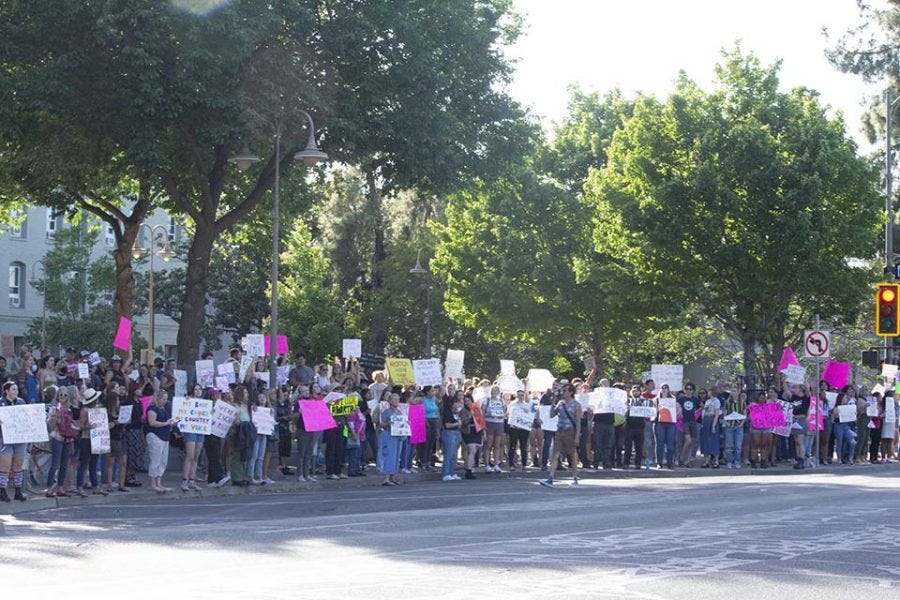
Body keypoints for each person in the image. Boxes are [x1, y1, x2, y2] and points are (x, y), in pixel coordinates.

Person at [540, 383, 582, 487]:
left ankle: (575, 477)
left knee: (572, 454)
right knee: (555, 454)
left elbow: (578, 421)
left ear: (571, 392)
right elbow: (551, 415)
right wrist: (553, 403)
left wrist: (577, 436)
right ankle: (550, 478)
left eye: (565, 391)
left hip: (570, 431)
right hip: (559, 431)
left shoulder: (576, 405)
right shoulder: (560, 403)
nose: (563, 393)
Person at [0, 381, 29, 501]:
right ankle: (2, 491)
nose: (16, 391)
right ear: (7, 391)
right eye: (13, 389)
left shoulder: (21, 402)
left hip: (19, 438)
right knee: (5, 465)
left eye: (17, 389)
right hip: (4, 439)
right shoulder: (1, 403)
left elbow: (28, 417)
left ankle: (18, 491)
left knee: (18, 465)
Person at [45, 386, 76, 497]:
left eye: (65, 395)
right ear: (57, 396)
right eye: (60, 395)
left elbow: (71, 425)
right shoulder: (54, 409)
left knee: (64, 464)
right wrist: (55, 418)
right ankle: (49, 488)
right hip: (57, 437)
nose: (62, 397)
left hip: (67, 439)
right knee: (55, 464)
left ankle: (60, 487)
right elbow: (50, 425)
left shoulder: (69, 410)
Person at [145, 389, 174, 493]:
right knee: (155, 460)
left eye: (166, 399)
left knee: (163, 460)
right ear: (158, 398)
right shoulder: (152, 408)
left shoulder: (162, 409)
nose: (165, 401)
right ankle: (152, 483)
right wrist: (166, 423)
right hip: (155, 436)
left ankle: (159, 482)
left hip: (165, 436)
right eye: (163, 399)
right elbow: (152, 422)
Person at [179, 383, 206, 491]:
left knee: (196, 457)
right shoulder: (188, 400)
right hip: (190, 429)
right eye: (196, 389)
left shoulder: (204, 403)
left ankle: (192, 480)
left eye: (199, 389)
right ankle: (184, 480)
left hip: (200, 430)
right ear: (192, 391)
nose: (198, 391)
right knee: (190, 456)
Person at [104, 382, 129, 492]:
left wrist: (125, 421)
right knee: (111, 462)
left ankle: (121, 484)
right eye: (117, 400)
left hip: (121, 435)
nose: (119, 402)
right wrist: (113, 424)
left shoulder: (121, 411)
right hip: (112, 436)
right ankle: (109, 484)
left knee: (123, 461)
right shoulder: (107, 414)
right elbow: (104, 426)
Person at [378, 392, 403, 486]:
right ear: (390, 401)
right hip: (389, 435)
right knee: (389, 456)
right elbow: (382, 424)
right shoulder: (386, 412)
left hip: (397, 436)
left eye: (398, 399)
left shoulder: (399, 412)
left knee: (397, 457)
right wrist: (389, 423)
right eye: (394, 399)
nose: (397, 401)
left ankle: (393, 477)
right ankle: (386, 478)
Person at [624, 385, 651, 469]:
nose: (636, 392)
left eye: (637, 391)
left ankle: (638, 464)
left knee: (639, 447)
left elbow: (648, 414)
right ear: (631, 392)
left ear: (640, 392)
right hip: (629, 426)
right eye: (634, 390)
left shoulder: (644, 402)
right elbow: (624, 413)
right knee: (628, 446)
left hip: (640, 427)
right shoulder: (627, 401)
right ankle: (626, 463)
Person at [480, 385, 506, 473]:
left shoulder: (502, 401)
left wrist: (500, 415)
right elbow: (482, 414)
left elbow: (504, 412)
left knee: (497, 445)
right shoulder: (486, 400)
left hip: (499, 423)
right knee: (488, 444)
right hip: (489, 423)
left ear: (498, 392)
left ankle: (496, 464)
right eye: (492, 390)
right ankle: (487, 464)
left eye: (495, 390)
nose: (494, 392)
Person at [507, 389, 531, 471]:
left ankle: (524, 465)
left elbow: (529, 417)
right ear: (516, 395)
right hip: (514, 428)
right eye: (519, 395)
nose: (521, 397)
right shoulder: (512, 404)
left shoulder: (527, 405)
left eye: (522, 395)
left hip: (523, 429)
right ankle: (511, 464)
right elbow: (508, 414)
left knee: (523, 447)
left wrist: (526, 412)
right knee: (512, 446)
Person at [654, 383, 677, 470]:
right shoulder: (656, 400)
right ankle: (659, 462)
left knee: (670, 444)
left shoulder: (673, 399)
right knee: (660, 444)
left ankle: (670, 462)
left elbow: (677, 411)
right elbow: (652, 412)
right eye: (662, 388)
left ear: (668, 390)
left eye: (666, 388)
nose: (664, 389)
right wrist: (656, 408)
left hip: (670, 423)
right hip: (659, 423)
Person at [722, 390, 748, 469]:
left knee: (738, 446)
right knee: (729, 445)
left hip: (738, 426)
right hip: (729, 425)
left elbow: (744, 414)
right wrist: (726, 422)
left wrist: (742, 423)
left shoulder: (742, 402)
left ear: (738, 392)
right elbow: (725, 413)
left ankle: (737, 461)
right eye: (732, 391)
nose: (734, 393)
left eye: (735, 391)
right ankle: (729, 461)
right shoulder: (727, 402)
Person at [460, 395, 482, 479]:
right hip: (469, 431)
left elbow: (481, 421)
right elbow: (464, 422)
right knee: (471, 450)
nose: (467, 402)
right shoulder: (463, 411)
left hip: (477, 431)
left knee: (474, 451)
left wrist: (483, 433)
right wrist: (470, 415)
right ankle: (468, 470)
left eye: (469, 400)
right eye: (465, 401)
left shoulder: (476, 409)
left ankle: (470, 468)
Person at [678, 383, 701, 466]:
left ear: (693, 391)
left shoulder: (695, 399)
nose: (688, 391)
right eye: (687, 389)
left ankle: (687, 461)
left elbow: (702, 406)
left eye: (690, 389)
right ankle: (681, 456)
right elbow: (677, 406)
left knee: (692, 442)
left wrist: (696, 411)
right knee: (688, 440)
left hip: (693, 421)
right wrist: (679, 412)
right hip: (685, 421)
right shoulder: (681, 399)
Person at [441, 395, 463, 481]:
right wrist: (457, 424)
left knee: (454, 455)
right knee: (448, 454)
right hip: (448, 433)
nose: (457, 404)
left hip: (456, 433)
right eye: (455, 402)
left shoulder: (455, 412)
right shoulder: (446, 413)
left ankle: (452, 472)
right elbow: (447, 425)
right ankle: (446, 473)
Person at [700, 388, 721, 467]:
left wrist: (714, 425)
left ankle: (716, 461)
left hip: (712, 420)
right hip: (705, 420)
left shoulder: (716, 401)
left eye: (709, 391)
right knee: (705, 441)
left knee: (714, 440)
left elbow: (716, 414)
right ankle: (706, 461)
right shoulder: (708, 401)